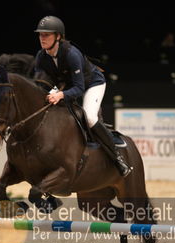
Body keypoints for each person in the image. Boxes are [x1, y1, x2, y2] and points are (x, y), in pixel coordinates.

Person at [33, 15, 130, 177]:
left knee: (90, 117)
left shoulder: (71, 54)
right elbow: (40, 84)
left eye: (47, 35)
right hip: (69, 86)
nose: (42, 38)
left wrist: (60, 95)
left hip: (92, 84)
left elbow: (79, 88)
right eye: (40, 35)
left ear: (58, 37)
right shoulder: (41, 56)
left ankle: (117, 158)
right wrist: (49, 93)